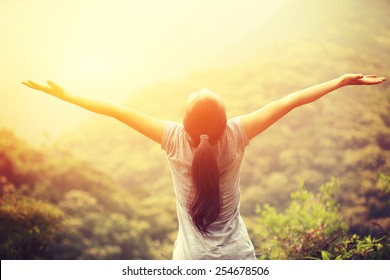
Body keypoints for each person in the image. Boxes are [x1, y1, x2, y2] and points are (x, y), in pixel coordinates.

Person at [22, 73, 386, 259]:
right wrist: (342, 81)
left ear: (186, 121)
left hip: (189, 261)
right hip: (238, 258)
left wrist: (64, 96)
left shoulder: (171, 137)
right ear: (223, 121)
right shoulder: (237, 134)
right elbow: (290, 101)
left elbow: (116, 110)